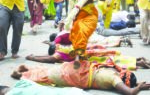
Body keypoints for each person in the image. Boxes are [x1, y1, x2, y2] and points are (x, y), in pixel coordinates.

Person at [36, 0, 112, 67]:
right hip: (75, 17)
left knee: (81, 29)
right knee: (75, 34)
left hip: (89, 16)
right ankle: (78, 55)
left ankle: (78, 56)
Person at [10, 61, 150, 95]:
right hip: (78, 77)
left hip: (80, 69)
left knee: (51, 70)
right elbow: (130, 92)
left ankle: (27, 69)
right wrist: (138, 88)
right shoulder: (114, 80)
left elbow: (127, 85)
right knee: (50, 76)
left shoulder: (113, 70)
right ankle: (22, 74)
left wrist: (138, 84)